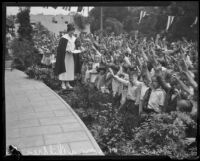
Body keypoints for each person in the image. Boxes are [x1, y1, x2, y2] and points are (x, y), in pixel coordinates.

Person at [55, 23, 80, 89]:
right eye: (71, 30)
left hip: (71, 56)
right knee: (64, 69)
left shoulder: (74, 38)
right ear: (68, 30)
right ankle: (63, 83)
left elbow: (76, 46)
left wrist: (76, 49)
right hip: (65, 56)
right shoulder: (64, 38)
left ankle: (68, 83)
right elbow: (60, 48)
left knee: (70, 69)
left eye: (73, 30)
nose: (72, 32)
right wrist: (66, 50)